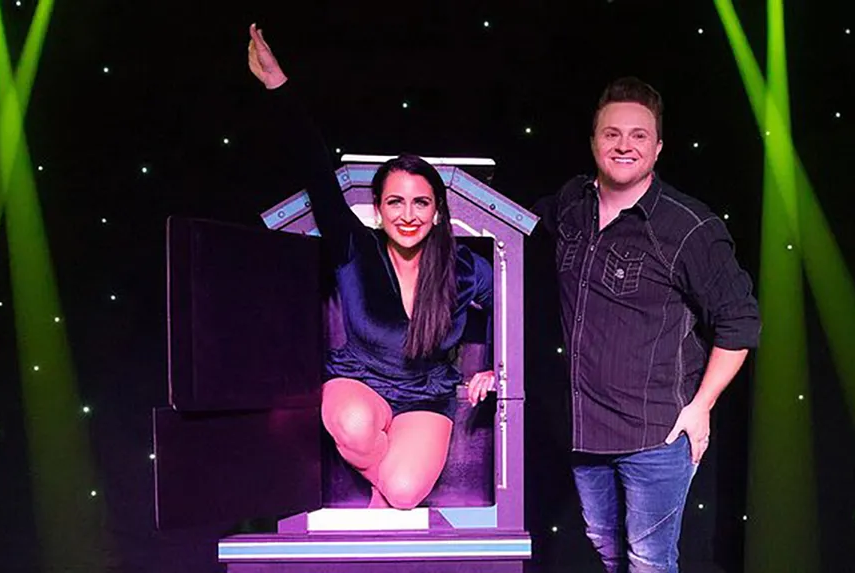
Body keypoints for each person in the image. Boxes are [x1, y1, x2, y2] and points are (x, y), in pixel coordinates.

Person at [247, 24, 496, 510]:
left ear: (437, 211)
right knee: (356, 425)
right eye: (395, 203)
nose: (408, 215)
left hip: (426, 396)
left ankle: (382, 504)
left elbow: (507, 305)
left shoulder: (464, 267)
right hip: (358, 386)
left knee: (403, 493)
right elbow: (317, 172)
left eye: (421, 203)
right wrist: (280, 86)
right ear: (378, 210)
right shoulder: (355, 248)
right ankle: (377, 511)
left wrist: (491, 368)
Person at [533, 77, 761, 571]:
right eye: (612, 133)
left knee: (649, 560)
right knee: (606, 547)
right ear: (594, 141)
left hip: (655, 434)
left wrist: (701, 407)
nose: (624, 145)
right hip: (585, 430)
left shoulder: (689, 227)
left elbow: (740, 323)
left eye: (639, 135)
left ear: (657, 148)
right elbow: (509, 230)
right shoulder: (571, 205)